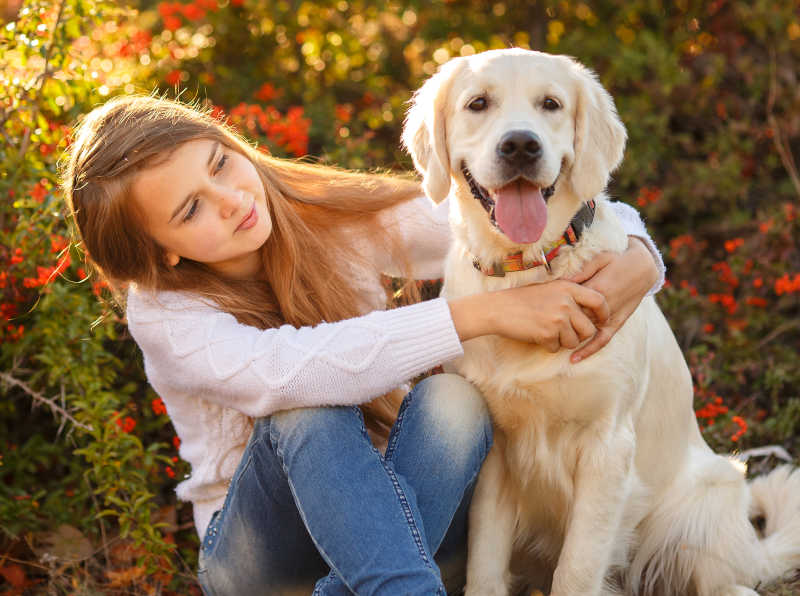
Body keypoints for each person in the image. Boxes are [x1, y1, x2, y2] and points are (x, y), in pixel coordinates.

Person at [61, 95, 664, 596]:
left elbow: (497, 218)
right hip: (265, 563)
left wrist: (637, 253)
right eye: (192, 209)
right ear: (160, 251)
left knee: (455, 399)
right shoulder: (165, 312)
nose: (231, 200)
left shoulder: (327, 220)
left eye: (220, 164)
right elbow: (284, 373)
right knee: (304, 406)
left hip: (408, 520)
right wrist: (485, 311)